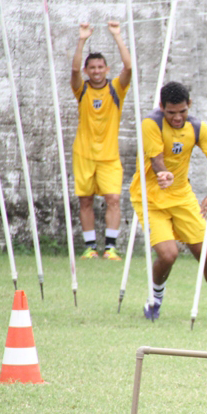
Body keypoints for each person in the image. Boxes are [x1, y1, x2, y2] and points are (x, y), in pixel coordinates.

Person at [129, 82, 207, 322]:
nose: (177, 117)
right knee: (168, 254)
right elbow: (156, 158)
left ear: (189, 105)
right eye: (171, 113)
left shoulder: (198, 128)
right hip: (150, 198)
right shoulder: (151, 123)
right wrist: (162, 173)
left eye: (182, 111)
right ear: (161, 107)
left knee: (204, 252)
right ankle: (155, 300)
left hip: (182, 196)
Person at [70, 21, 131, 260]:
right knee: (85, 201)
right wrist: (82, 39)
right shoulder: (81, 89)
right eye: (92, 67)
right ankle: (90, 247)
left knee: (113, 199)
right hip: (83, 154)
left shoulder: (116, 89)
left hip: (109, 157)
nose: (96, 71)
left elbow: (128, 66)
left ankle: (111, 248)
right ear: (88, 71)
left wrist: (117, 35)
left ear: (106, 69)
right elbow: (74, 72)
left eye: (100, 67)